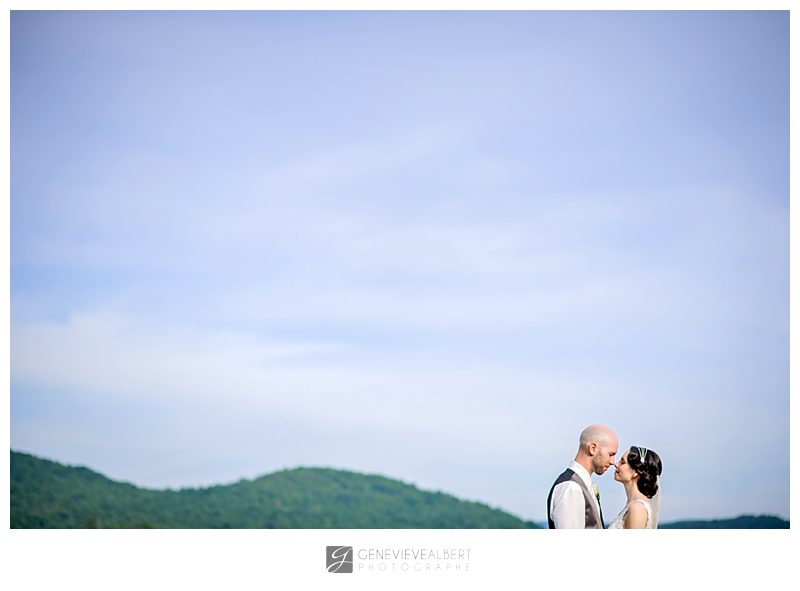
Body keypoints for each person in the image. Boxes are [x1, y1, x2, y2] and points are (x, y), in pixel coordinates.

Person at [546, 424, 618, 529]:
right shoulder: (571, 488)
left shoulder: (580, 485)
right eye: (611, 454)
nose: (612, 462)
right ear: (593, 448)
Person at [608, 446, 663, 529]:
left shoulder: (637, 509)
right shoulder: (632, 506)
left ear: (636, 472)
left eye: (622, 462)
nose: (616, 464)